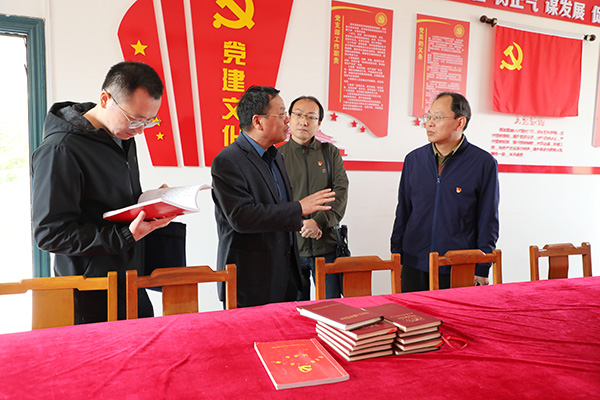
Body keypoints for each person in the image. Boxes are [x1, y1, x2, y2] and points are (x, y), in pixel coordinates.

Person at [32, 61, 176, 323]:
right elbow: (49, 234)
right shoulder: (60, 150)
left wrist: (152, 204)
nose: (140, 130)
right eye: (134, 119)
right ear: (105, 99)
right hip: (91, 295)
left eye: (149, 122)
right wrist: (125, 236)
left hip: (132, 283)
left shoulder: (122, 136)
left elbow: (111, 204)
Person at [211, 86, 335, 308]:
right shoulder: (228, 161)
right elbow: (241, 217)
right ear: (258, 121)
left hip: (285, 275)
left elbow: (277, 210)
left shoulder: (276, 156)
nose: (288, 120)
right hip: (250, 280)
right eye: (281, 114)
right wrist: (299, 208)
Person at [390, 92, 499, 292]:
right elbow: (403, 211)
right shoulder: (413, 160)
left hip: (458, 265)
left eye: (438, 117)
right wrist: (397, 255)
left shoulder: (483, 163)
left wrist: (482, 267)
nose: (429, 123)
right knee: (411, 312)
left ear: (460, 122)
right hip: (414, 262)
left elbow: (488, 219)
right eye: (428, 116)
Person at [278, 96, 349, 300]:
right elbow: (274, 201)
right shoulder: (277, 156)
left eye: (311, 117)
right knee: (295, 310)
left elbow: (340, 191)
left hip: (326, 246)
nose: (304, 121)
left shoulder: (330, 153)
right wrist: (300, 223)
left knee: (332, 308)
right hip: (291, 249)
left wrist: (317, 222)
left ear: (319, 123)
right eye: (299, 115)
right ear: (289, 118)